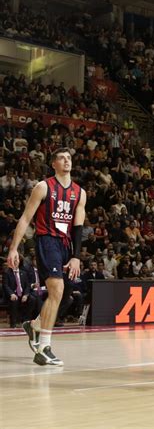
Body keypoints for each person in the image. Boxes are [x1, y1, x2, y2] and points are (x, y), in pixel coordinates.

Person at [7, 147, 86, 366]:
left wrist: (77, 256)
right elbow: (25, 219)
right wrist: (14, 248)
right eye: (62, 158)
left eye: (69, 158)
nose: (67, 161)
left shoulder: (80, 192)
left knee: (66, 293)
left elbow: (78, 227)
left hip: (66, 244)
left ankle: (34, 326)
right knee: (57, 290)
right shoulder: (43, 187)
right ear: (53, 163)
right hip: (47, 240)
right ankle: (44, 348)